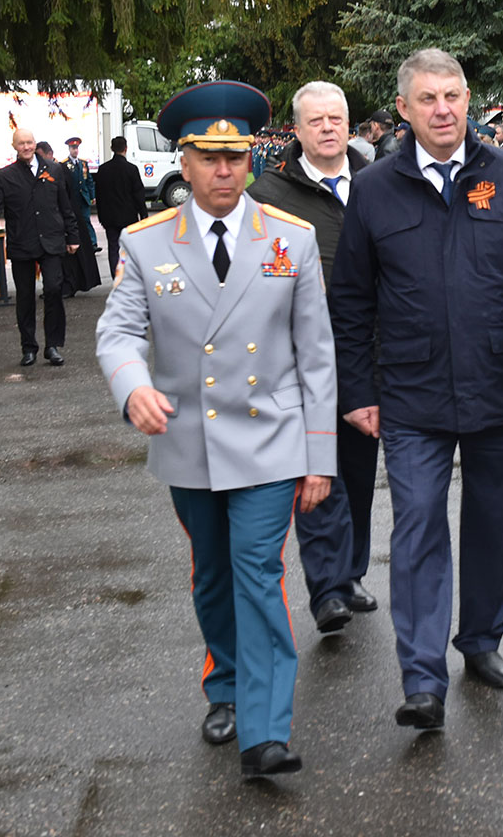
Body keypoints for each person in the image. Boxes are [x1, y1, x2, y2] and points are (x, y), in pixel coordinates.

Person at [330, 48, 503, 731]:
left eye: (453, 96)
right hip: (409, 394)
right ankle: (422, 678)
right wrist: (357, 390)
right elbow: (351, 300)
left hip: (498, 384)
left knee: (491, 521)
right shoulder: (375, 189)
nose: (443, 110)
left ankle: (480, 639)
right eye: (428, 99)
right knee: (417, 523)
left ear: (469, 100)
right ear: (404, 108)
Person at [95, 80, 336, 778]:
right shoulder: (146, 244)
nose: (224, 171)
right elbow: (118, 332)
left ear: (250, 160)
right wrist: (133, 387)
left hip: (270, 439)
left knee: (257, 571)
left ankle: (264, 731)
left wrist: (319, 455)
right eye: (208, 158)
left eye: (235, 157)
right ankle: (225, 685)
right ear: (185, 162)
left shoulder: (291, 238)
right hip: (188, 441)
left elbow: (317, 355)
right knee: (213, 576)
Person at [248, 81, 382, 633]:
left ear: (349, 125)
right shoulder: (269, 195)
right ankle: (328, 587)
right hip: (301, 357)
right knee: (317, 468)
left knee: (359, 469)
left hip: (369, 353)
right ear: (297, 130)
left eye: (336, 119)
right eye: (316, 121)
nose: (328, 128)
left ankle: (351, 572)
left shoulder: (380, 182)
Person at [0, 128, 80, 366]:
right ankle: (29, 347)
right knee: (25, 296)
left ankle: (52, 345)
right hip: (22, 242)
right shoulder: (5, 176)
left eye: (29, 142)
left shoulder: (53, 169)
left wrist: (73, 236)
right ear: (14, 146)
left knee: (54, 289)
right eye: (21, 143)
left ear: (35, 144)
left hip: (52, 240)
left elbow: (65, 205)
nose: (26, 147)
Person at [50, 139, 103, 296]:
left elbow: (88, 181)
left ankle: (92, 243)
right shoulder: (64, 165)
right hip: (73, 201)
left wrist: (92, 195)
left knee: (86, 222)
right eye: (73, 148)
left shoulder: (83, 163)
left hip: (83, 198)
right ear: (69, 149)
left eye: (77, 148)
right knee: (77, 224)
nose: (75, 150)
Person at [94, 134, 150, 278]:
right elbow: (138, 194)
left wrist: (101, 216)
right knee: (130, 248)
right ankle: (130, 277)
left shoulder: (103, 169)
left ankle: (116, 277)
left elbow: (99, 194)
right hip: (128, 216)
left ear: (112, 148)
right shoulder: (131, 169)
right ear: (126, 148)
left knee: (113, 248)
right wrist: (143, 214)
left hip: (109, 217)